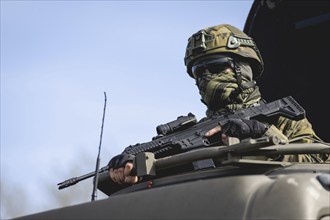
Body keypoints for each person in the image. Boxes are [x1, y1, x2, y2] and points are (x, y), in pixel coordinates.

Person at [108, 24, 327, 185]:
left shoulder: (280, 119)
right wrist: (131, 166)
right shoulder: (197, 132)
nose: (205, 77)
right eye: (198, 72)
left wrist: (263, 136)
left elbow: (318, 164)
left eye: (216, 67)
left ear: (244, 69)